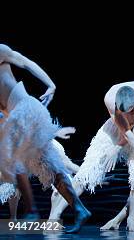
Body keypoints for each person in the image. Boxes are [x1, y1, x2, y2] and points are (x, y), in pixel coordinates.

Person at [0, 44, 90, 233]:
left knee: (9, 154)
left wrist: (51, 85)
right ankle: (80, 209)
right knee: (49, 167)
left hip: (26, 110)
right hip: (17, 119)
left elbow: (26, 62)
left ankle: (32, 210)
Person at [49, 82, 134, 232]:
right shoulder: (110, 97)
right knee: (88, 171)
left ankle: (130, 220)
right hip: (116, 128)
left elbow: (133, 130)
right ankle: (55, 214)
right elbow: (125, 132)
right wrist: (114, 147)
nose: (127, 114)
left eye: (130, 111)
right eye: (122, 111)